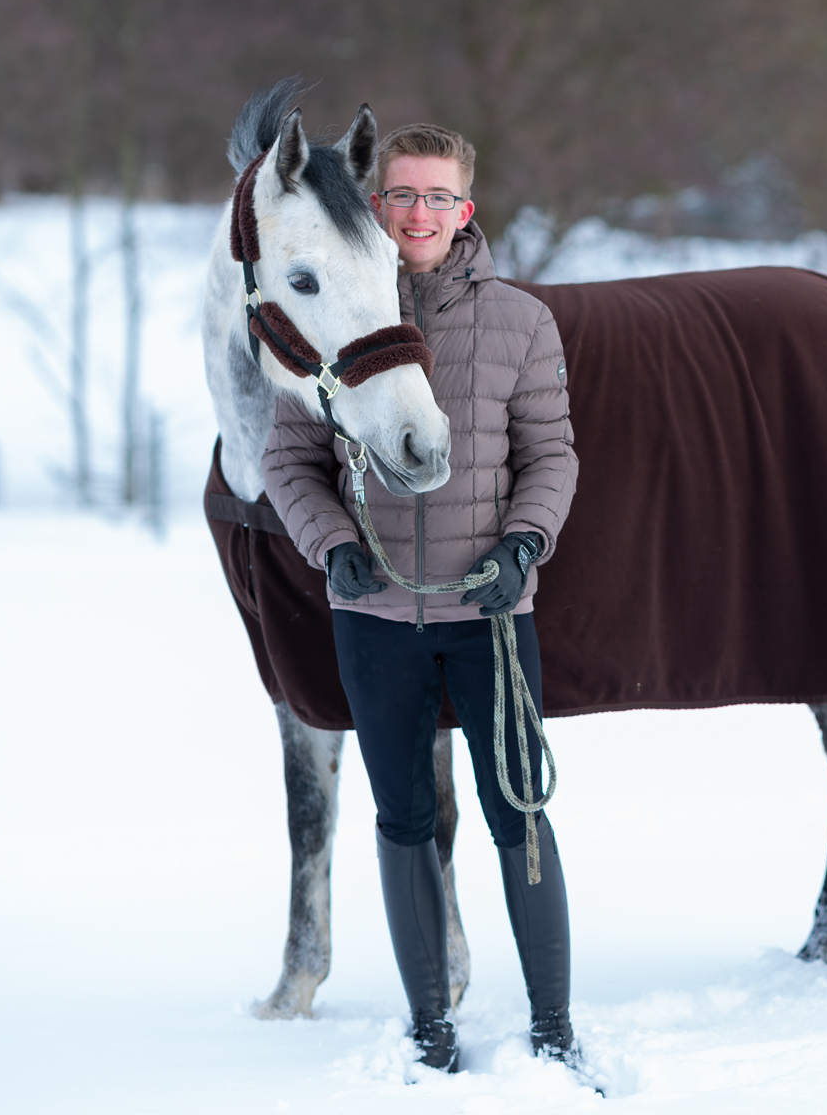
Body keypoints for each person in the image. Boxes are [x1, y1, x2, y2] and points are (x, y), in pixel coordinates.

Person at [261, 124, 578, 1073]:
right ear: (376, 204)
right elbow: (287, 459)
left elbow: (552, 456)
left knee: (518, 810)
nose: (418, 214)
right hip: (376, 621)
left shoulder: (521, 322)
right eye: (401, 194)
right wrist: (331, 547)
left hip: (491, 617)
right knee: (401, 820)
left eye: (438, 197)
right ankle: (430, 1028)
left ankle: (553, 1027)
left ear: (464, 210)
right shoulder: (331, 308)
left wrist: (524, 545)